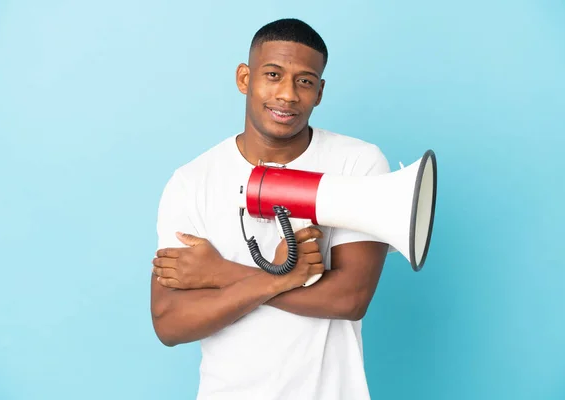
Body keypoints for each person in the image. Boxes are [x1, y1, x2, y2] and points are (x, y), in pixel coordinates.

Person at [151, 18, 391, 400]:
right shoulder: (192, 181)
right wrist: (282, 276)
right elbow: (169, 323)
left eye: (305, 81)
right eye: (273, 74)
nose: (288, 94)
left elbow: (350, 298)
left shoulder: (356, 166)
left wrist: (220, 273)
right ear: (244, 78)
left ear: (320, 92)